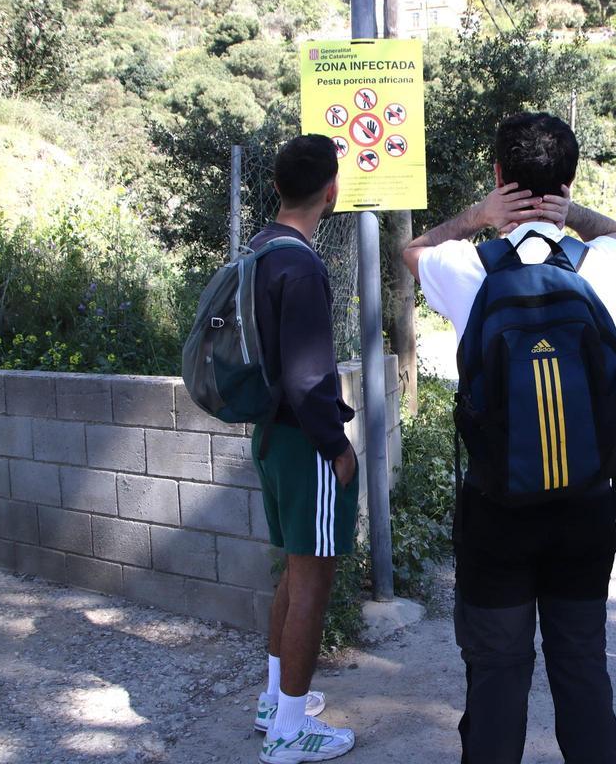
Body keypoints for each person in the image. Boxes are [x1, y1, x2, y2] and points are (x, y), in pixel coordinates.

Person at [403, 111, 616, 764]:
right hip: (585, 506)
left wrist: (477, 214)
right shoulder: (599, 264)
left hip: (497, 510)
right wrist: (568, 209)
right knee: (582, 667)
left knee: (499, 676)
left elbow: (409, 250)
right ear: (569, 179)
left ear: (498, 176)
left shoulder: (469, 269)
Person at [248, 135, 359, 764]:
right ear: (331, 190)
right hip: (303, 442)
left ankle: (275, 702)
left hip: (268, 435)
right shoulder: (304, 264)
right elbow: (311, 377)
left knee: (293, 570)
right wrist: (337, 447)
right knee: (313, 581)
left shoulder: (261, 248)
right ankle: (290, 732)